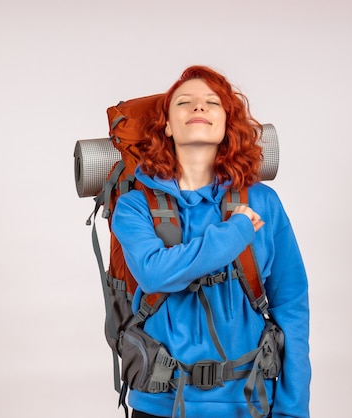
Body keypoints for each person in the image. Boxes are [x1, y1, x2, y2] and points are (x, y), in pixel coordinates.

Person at [111, 65, 311, 417]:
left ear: (226, 125)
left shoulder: (264, 202)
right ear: (168, 126)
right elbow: (155, 274)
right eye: (184, 102)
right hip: (162, 404)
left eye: (212, 102)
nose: (198, 108)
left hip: (249, 402)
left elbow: (291, 306)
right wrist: (235, 231)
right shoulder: (134, 205)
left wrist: (293, 409)